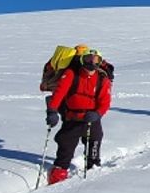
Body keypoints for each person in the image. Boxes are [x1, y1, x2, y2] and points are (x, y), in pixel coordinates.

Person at [44, 48, 112, 185]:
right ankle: (59, 172)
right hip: (72, 118)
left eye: (95, 60)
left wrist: (97, 114)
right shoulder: (71, 74)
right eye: (87, 59)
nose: (91, 63)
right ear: (82, 60)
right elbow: (59, 93)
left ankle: (93, 170)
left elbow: (105, 101)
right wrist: (52, 111)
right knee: (65, 145)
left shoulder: (102, 79)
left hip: (92, 119)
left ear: (99, 62)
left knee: (94, 143)